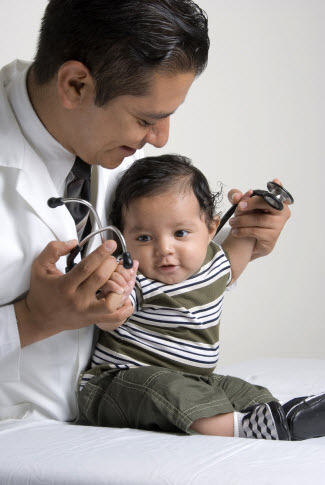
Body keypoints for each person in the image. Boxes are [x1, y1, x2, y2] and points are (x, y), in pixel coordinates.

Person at [0, 0, 290, 423]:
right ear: (76, 85)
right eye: (146, 119)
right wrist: (33, 319)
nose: (160, 139)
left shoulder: (112, 146)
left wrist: (244, 239)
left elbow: (164, 279)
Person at [77, 155, 325, 441]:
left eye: (180, 233)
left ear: (210, 229)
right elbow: (110, 317)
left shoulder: (216, 264)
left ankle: (281, 417)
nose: (164, 249)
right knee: (165, 389)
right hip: (119, 384)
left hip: (193, 379)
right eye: (144, 238)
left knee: (243, 391)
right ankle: (241, 428)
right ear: (124, 239)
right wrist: (114, 292)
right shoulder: (137, 277)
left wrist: (263, 206)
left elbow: (246, 234)